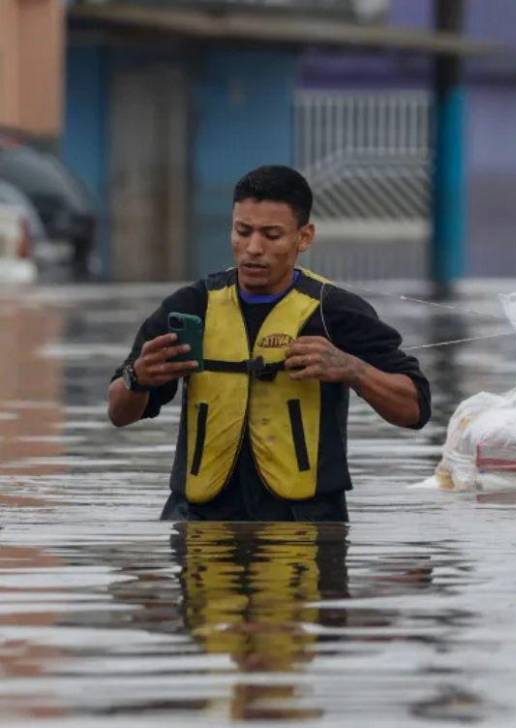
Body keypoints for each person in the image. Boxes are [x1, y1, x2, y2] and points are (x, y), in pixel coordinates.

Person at [107, 165, 431, 522]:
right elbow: (118, 414)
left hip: (306, 523)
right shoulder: (191, 306)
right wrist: (137, 379)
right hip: (197, 520)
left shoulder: (333, 311)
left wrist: (353, 369)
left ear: (304, 237)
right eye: (242, 231)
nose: (253, 248)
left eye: (271, 235)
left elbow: (415, 410)